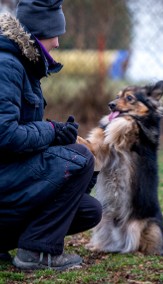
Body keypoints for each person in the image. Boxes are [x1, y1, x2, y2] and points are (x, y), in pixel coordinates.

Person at [0, 0, 102, 270]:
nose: (57, 42)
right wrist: (52, 131)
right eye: (54, 33)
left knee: (88, 210)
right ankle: (35, 252)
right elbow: (4, 135)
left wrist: (56, 135)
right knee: (80, 158)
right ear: (37, 34)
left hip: (7, 178)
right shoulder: (7, 66)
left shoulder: (21, 63)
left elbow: (19, 126)